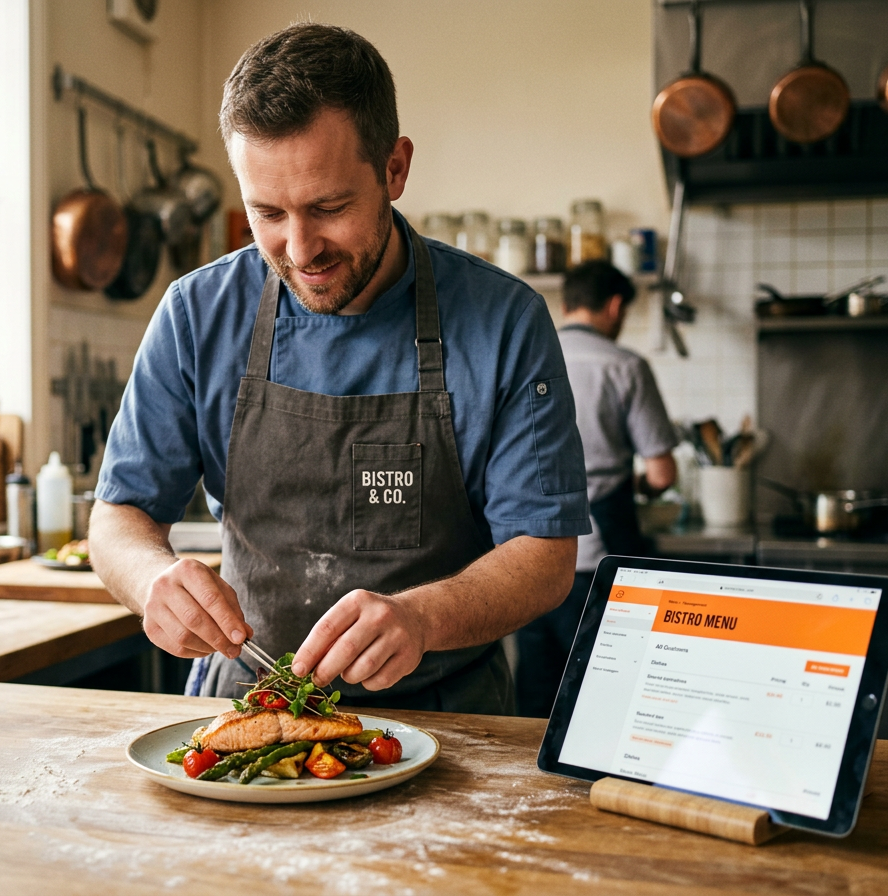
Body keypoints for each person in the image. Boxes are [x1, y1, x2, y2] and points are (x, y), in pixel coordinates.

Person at [89, 23, 589, 715]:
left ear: (395, 169)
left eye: (328, 208)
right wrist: (153, 580)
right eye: (267, 212)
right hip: (245, 716)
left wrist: (422, 619)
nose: (299, 249)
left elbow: (544, 557)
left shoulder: (504, 322)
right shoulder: (195, 316)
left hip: (448, 723)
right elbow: (118, 516)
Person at [515, 260, 678, 718]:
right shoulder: (625, 366)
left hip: (521, 558)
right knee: (600, 698)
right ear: (615, 306)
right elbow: (662, 474)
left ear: (565, 304)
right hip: (597, 562)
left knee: (535, 699)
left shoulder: (527, 357)